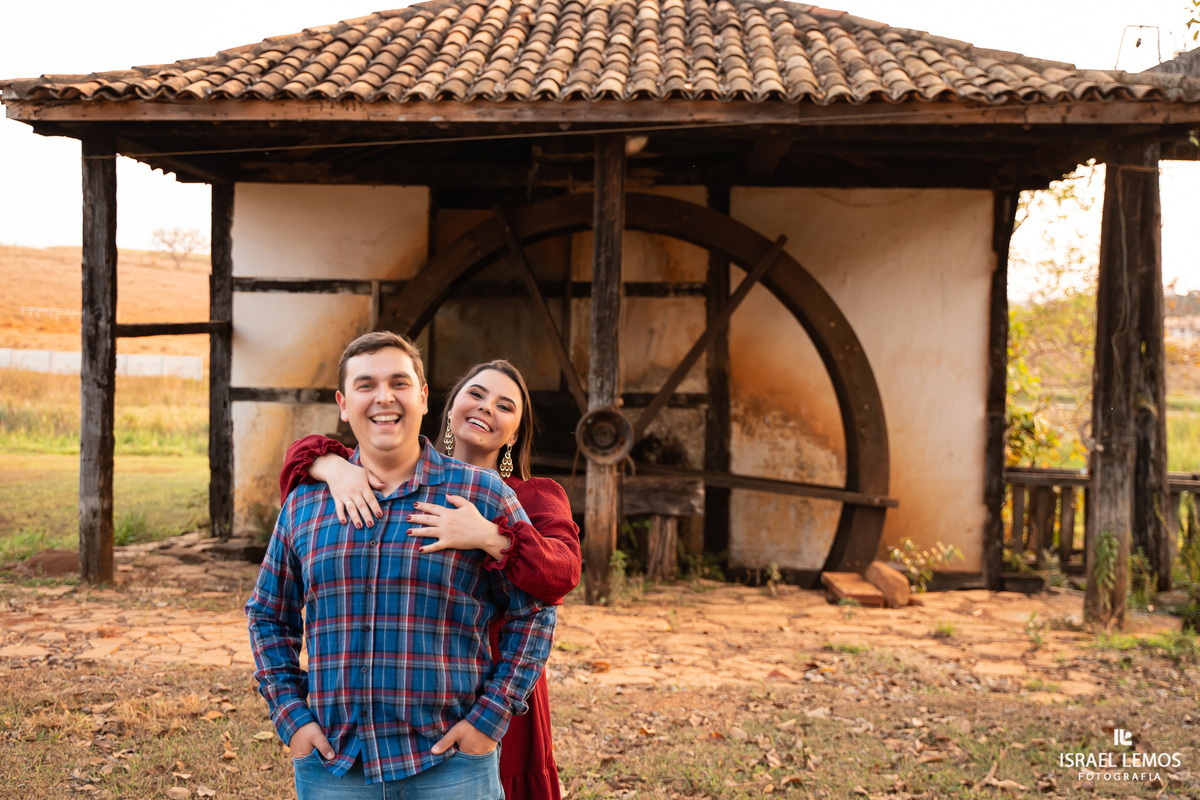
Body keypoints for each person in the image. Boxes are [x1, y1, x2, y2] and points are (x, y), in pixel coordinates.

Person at [246, 333, 557, 798]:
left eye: (399, 382)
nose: (384, 397)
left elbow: (534, 611)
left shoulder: (484, 496)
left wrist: (489, 720)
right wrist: (291, 717)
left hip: (452, 766)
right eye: (366, 385)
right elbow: (268, 616)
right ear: (344, 404)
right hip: (334, 765)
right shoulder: (306, 505)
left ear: (425, 396)